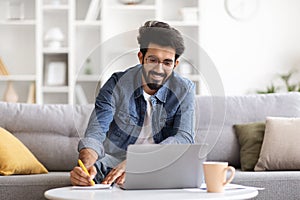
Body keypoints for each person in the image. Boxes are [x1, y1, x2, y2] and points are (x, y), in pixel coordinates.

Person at [70, 20, 195, 186]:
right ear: (141, 57)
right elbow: (96, 132)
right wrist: (85, 166)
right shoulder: (116, 84)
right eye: (152, 60)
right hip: (117, 163)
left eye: (167, 62)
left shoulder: (184, 89)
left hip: (160, 162)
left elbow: (184, 137)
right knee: (95, 171)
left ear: (175, 64)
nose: (159, 69)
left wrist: (137, 162)